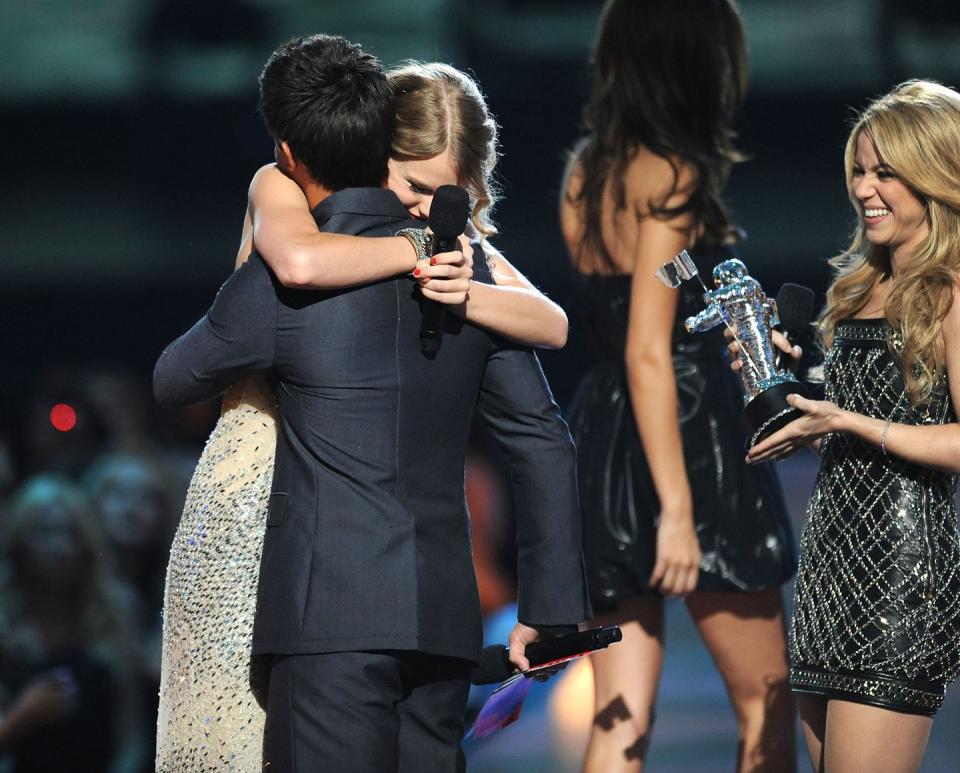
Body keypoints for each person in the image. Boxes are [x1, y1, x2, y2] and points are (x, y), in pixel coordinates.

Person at [154, 33, 590, 772]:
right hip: (443, 623)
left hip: (327, 622)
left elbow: (174, 379)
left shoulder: (294, 267)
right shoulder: (470, 278)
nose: (422, 206)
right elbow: (543, 440)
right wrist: (548, 613)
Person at [559, 1, 797, 770]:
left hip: (604, 440)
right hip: (685, 442)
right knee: (768, 694)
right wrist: (679, 512)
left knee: (619, 716)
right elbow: (649, 349)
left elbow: (648, 301)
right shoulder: (672, 174)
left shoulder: (584, 172)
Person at [742, 79, 960, 773]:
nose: (865, 188)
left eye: (886, 173)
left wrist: (847, 420)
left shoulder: (952, 286)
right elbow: (870, 409)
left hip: (902, 573)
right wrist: (796, 399)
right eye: (860, 170)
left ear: (936, 176)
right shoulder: (863, 284)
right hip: (831, 565)